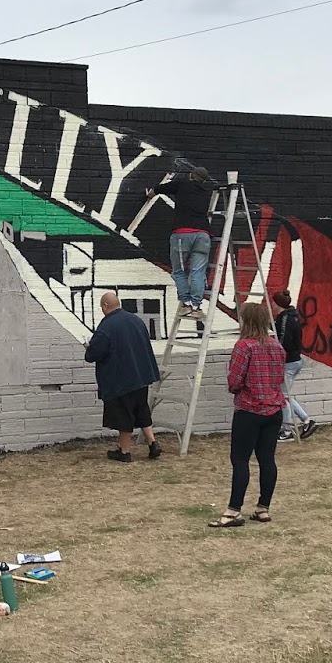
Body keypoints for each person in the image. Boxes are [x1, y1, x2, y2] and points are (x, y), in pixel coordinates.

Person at [210, 300, 284, 528]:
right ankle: (263, 508)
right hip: (274, 410)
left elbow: (234, 380)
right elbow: (280, 379)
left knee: (240, 460)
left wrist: (238, 389)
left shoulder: (244, 346)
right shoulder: (277, 347)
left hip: (249, 410)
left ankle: (233, 511)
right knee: (267, 459)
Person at [84, 291, 164, 462]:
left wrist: (88, 348)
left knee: (124, 415)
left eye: (101, 307)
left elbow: (93, 354)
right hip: (141, 376)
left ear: (105, 306)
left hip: (120, 379)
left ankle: (125, 451)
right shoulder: (135, 320)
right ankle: (153, 443)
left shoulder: (106, 327)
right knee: (141, 409)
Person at [146, 164, 216, 321]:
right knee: (198, 272)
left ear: (191, 176)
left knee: (179, 271)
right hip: (203, 235)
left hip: (182, 234)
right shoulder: (207, 192)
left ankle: (185, 304)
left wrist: (151, 193)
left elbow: (161, 188)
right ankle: (197, 307)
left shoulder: (182, 185)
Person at [271, 289, 317, 442]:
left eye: (273, 302)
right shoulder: (292, 316)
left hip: (289, 362)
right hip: (294, 360)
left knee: (283, 396)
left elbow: (283, 341)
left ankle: (288, 429)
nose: (271, 304)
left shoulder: (284, 319)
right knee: (284, 395)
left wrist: (277, 357)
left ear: (278, 304)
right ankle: (305, 421)